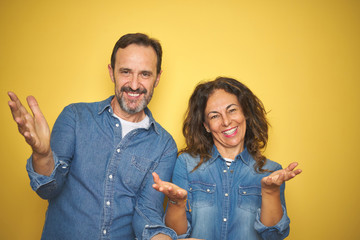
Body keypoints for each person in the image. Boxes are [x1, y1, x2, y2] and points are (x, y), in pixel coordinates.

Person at [8, 33, 180, 240]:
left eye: (145, 74)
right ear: (111, 72)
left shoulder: (164, 145)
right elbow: (48, 190)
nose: (134, 85)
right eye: (126, 72)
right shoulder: (75, 117)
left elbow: (147, 212)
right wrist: (43, 155)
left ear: (157, 78)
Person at [152, 77, 302, 240]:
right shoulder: (186, 164)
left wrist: (270, 192)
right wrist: (177, 204)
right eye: (215, 116)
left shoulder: (271, 172)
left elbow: (274, 237)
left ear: (245, 112)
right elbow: (176, 235)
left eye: (232, 110)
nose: (226, 121)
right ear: (206, 126)